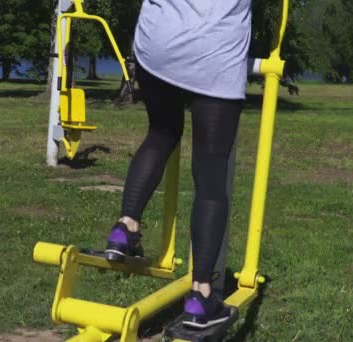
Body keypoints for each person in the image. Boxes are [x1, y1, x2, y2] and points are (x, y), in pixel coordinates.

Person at [104, 0, 252, 330]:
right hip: (216, 51)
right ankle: (200, 295)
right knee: (212, 171)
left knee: (161, 132)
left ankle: (125, 227)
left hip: (158, 45)